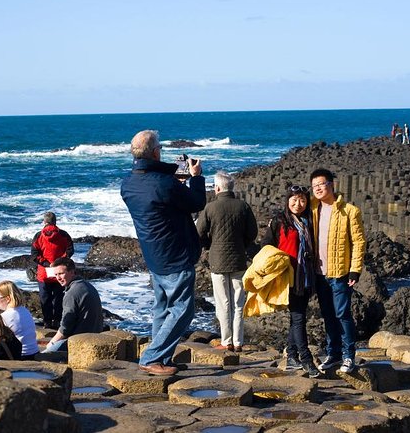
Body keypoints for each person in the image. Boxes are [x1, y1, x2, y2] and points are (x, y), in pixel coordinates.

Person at [120, 129, 206, 376]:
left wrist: (175, 182)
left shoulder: (128, 184)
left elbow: (160, 200)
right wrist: (196, 177)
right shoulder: (165, 184)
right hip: (175, 255)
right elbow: (196, 202)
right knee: (182, 309)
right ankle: (151, 357)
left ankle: (161, 358)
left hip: (153, 255)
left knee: (162, 307)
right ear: (156, 152)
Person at [310, 169, 366, 373]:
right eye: (314, 185)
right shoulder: (312, 209)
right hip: (319, 273)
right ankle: (333, 354)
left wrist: (355, 270)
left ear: (331, 185)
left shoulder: (349, 211)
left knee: (343, 314)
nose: (317, 188)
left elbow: (359, 242)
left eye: (321, 184)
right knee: (328, 314)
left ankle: (349, 356)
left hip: (340, 272)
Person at [261, 186, 320, 378]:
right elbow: (266, 246)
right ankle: (306, 359)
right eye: (294, 199)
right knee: (298, 318)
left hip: (306, 275)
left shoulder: (308, 220)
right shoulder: (279, 221)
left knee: (298, 316)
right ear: (287, 200)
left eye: (302, 200)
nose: (298, 204)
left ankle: (292, 356)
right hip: (289, 276)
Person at [196, 171, 257, 353]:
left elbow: (199, 233)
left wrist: (210, 245)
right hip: (238, 259)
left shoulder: (210, 208)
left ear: (217, 188)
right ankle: (238, 342)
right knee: (238, 303)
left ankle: (226, 341)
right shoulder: (243, 206)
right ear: (231, 187)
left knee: (223, 302)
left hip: (217, 261)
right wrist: (242, 245)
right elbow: (252, 233)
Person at [43, 258, 103, 353]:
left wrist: (51, 344)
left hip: (80, 341)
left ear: (72, 272)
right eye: (56, 274)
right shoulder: (86, 285)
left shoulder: (71, 293)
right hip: (96, 335)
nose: (58, 278)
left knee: (44, 354)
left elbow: (65, 328)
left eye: (61, 273)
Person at [31, 211, 74, 329]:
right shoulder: (63, 235)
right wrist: (60, 262)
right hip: (60, 271)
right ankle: (57, 321)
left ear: (44, 222)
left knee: (45, 299)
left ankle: (47, 322)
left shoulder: (38, 235)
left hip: (44, 272)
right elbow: (70, 250)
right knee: (59, 297)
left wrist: (46, 263)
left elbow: (34, 255)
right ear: (55, 221)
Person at [0, 280, 40, 359]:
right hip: (34, 352)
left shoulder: (5, 316)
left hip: (21, 355)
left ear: (7, 298)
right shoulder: (25, 310)